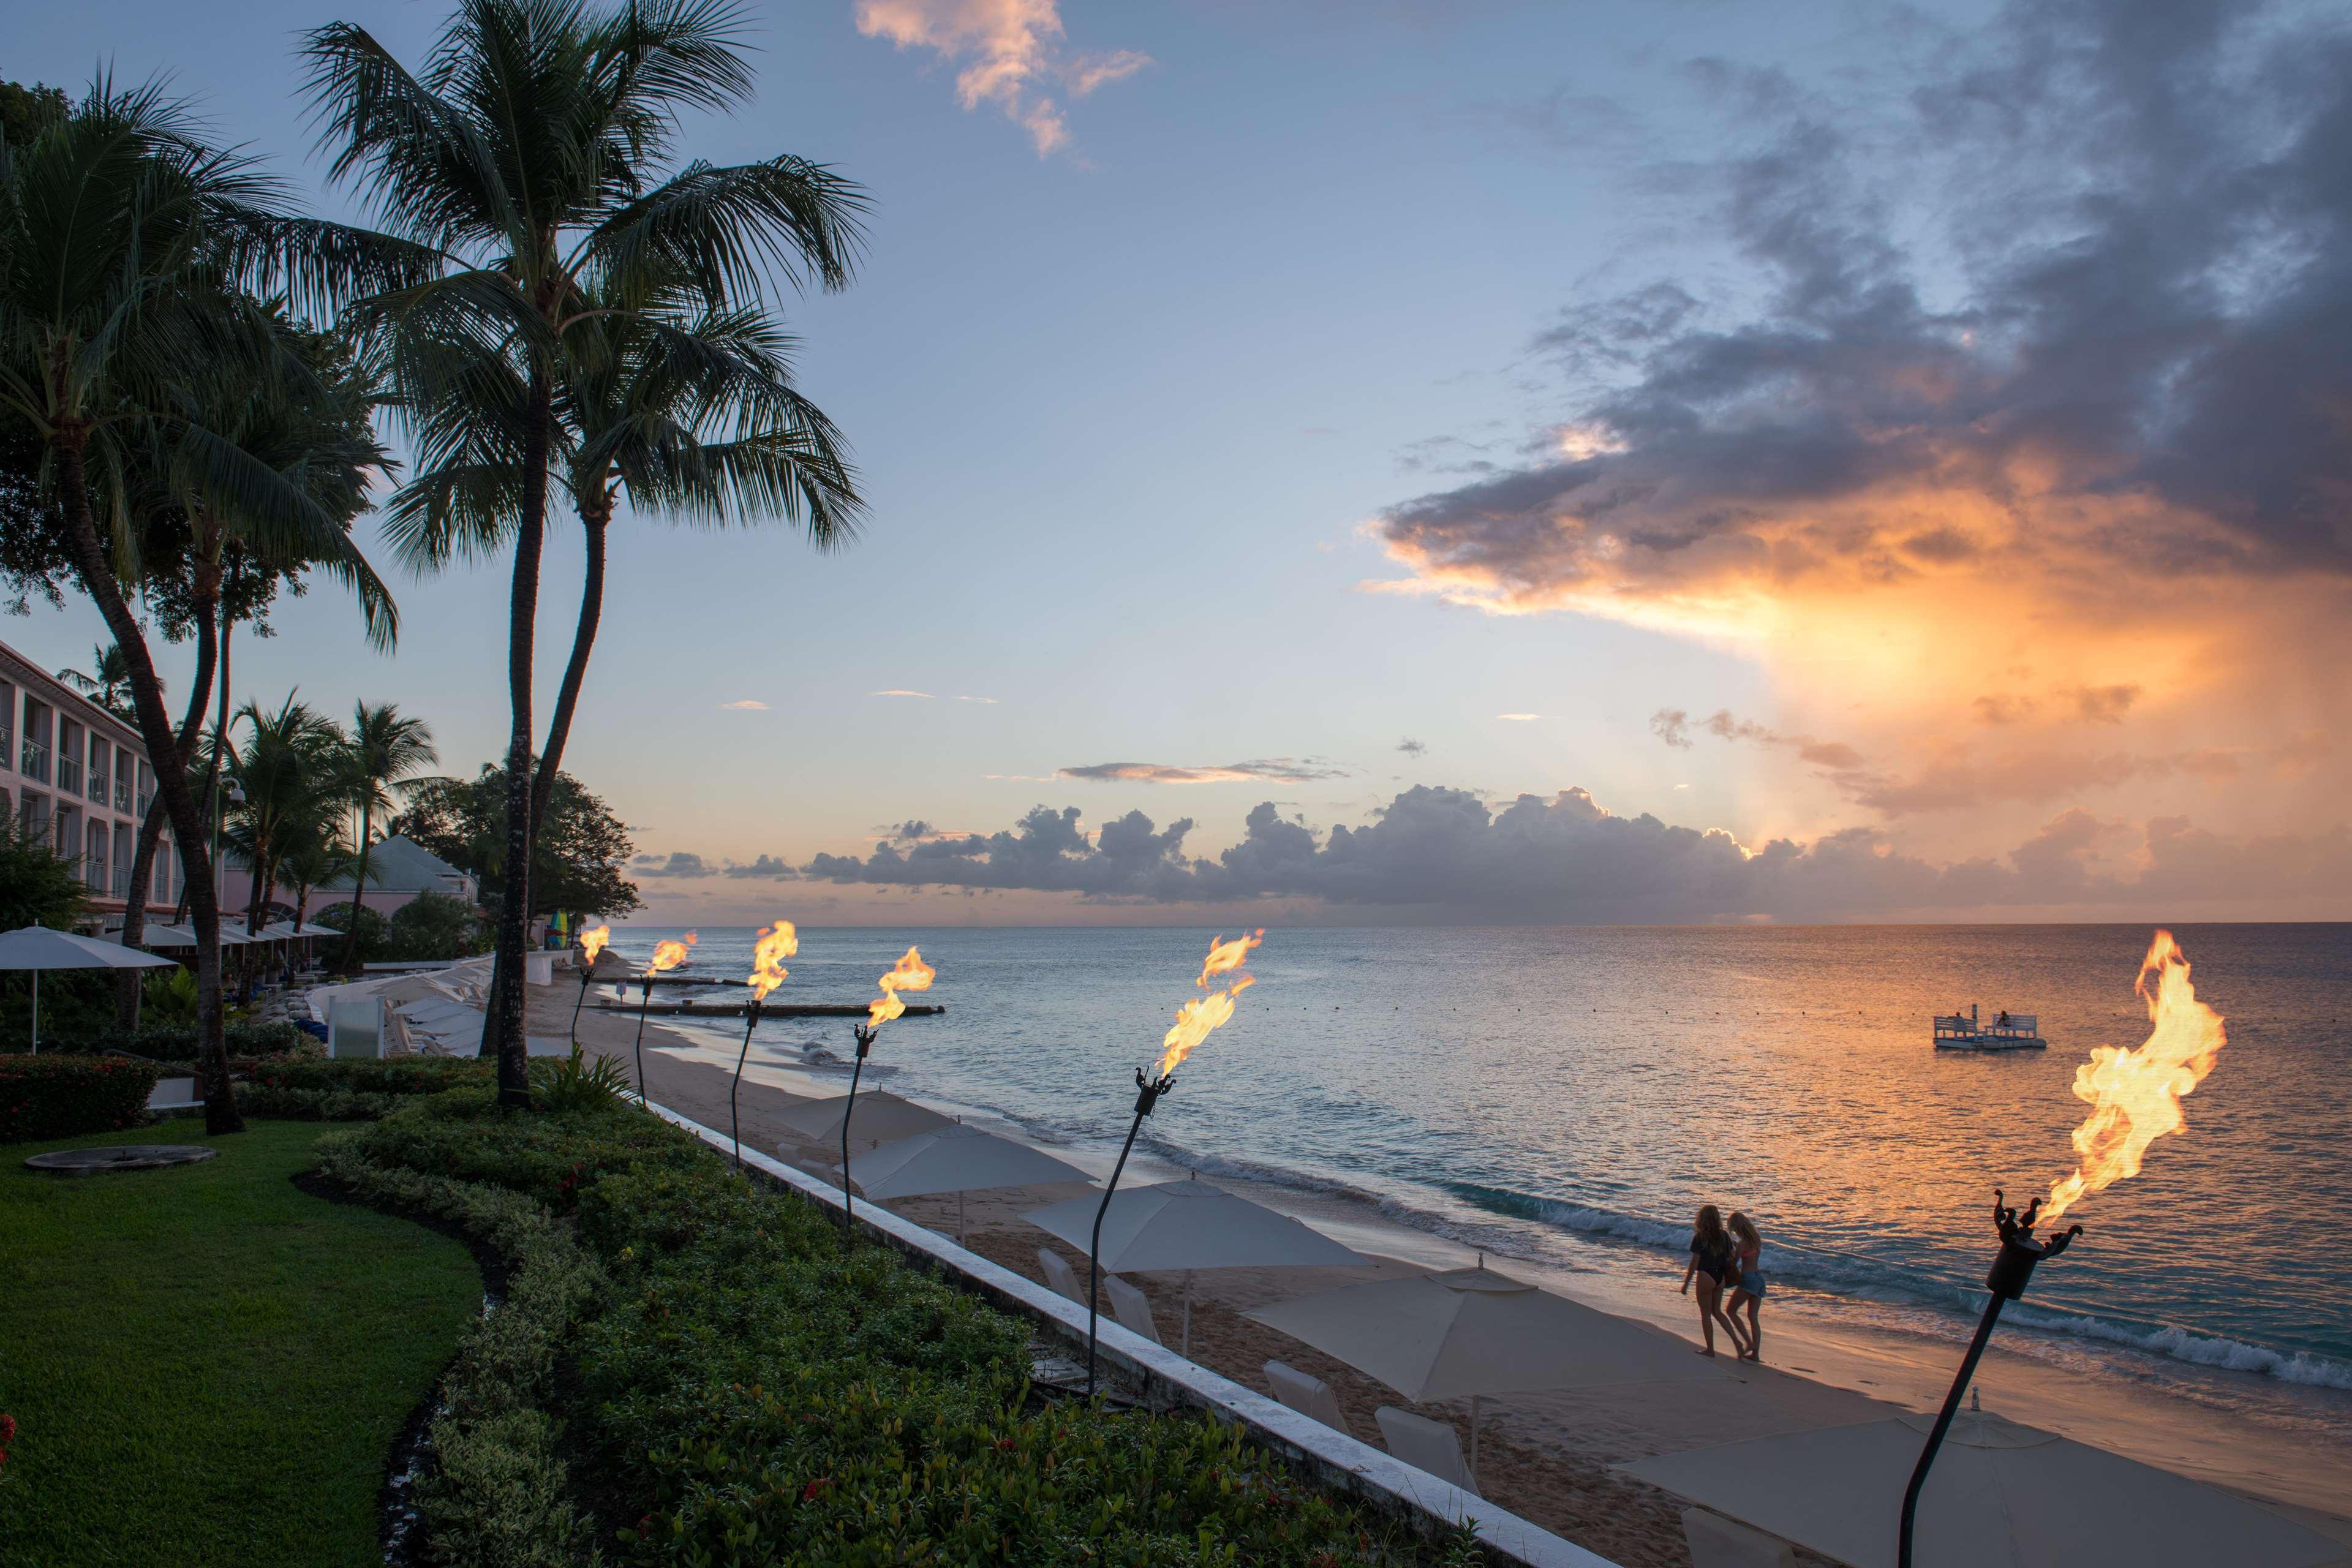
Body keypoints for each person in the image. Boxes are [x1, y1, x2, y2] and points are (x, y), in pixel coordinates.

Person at [1680, 1204, 1749, 1357]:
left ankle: (1710, 1349)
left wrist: (1686, 1283)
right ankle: (1736, 1341)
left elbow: (1694, 1262)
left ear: (1702, 1219)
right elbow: (1732, 1257)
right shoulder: (1724, 1235)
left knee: (1706, 1314)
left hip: (1706, 1276)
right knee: (1717, 1312)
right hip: (1721, 1278)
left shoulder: (1700, 1237)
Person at [1725, 1211, 1767, 1362]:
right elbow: (1748, 1253)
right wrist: (1738, 1247)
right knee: (1753, 1317)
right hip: (1759, 1278)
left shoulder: (1743, 1243)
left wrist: (1731, 1252)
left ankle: (1748, 1343)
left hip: (1747, 1279)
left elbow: (1735, 1261)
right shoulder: (1756, 1239)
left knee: (1731, 1311)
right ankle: (1756, 1354)